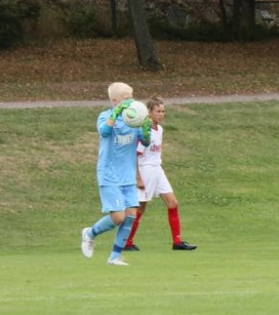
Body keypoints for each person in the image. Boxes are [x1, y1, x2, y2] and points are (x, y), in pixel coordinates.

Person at [80, 82, 151, 266]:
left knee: (131, 215)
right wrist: (116, 113)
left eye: (131, 97)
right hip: (109, 174)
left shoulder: (134, 118)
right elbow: (104, 132)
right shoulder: (105, 116)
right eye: (126, 99)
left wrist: (145, 128)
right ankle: (89, 233)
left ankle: (114, 257)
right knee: (118, 217)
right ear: (114, 101)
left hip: (128, 174)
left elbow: (145, 142)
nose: (130, 102)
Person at [123, 97, 196, 252]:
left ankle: (177, 242)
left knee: (173, 203)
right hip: (145, 171)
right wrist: (138, 178)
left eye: (163, 111)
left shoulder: (160, 129)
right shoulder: (145, 131)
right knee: (139, 208)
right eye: (158, 111)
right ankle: (126, 242)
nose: (161, 114)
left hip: (157, 169)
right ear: (149, 112)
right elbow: (134, 155)